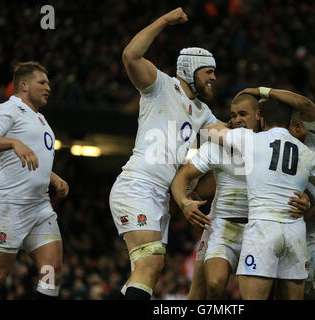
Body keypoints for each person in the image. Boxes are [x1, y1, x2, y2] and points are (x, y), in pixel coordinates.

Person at [109, 8, 222, 300]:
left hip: (161, 196)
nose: (214, 78)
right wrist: (164, 21)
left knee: (149, 269)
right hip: (138, 184)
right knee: (150, 263)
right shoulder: (161, 85)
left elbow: (229, 135)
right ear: (190, 70)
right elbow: (130, 56)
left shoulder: (202, 111)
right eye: (208, 72)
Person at [171, 94, 309, 299]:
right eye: (233, 115)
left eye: (243, 114)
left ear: (259, 115)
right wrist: (184, 203)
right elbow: (182, 177)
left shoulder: (274, 147)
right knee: (211, 287)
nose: (237, 120)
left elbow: (292, 181)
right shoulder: (218, 145)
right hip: (222, 226)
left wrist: (305, 198)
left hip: (261, 229)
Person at [208, 98, 315, 299]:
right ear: (289, 121)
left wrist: (230, 125)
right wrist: (306, 216)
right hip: (295, 232)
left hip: (263, 229)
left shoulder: (251, 139)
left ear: (261, 119)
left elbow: (208, 131)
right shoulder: (306, 152)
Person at [0, 61, 69, 300]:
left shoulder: (41, 120)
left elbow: (34, 157)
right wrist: (13, 142)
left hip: (39, 206)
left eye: (48, 83)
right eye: (42, 82)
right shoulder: (7, 110)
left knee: (51, 269)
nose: (48, 88)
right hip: (9, 203)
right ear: (23, 85)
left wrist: (52, 177)